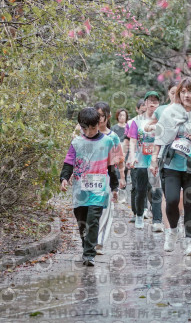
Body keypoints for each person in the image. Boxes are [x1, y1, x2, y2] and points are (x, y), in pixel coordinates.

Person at [150, 77, 191, 256]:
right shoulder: (170, 112)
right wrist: (154, 159)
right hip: (171, 163)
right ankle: (172, 231)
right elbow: (159, 137)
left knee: (189, 204)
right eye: (183, 92)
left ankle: (189, 242)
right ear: (179, 94)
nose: (187, 95)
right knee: (171, 200)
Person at [60, 108, 123, 266]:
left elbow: (112, 167)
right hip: (80, 190)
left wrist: (114, 187)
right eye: (85, 128)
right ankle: (86, 246)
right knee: (82, 220)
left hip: (99, 189)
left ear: (99, 123)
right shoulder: (76, 143)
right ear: (80, 126)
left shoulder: (107, 142)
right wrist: (64, 178)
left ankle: (89, 254)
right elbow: (69, 162)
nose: (89, 132)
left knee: (93, 220)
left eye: (93, 128)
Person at [145, 80, 184, 235]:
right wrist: (153, 127)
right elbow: (148, 126)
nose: (175, 96)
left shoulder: (187, 110)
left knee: (180, 195)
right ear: (168, 93)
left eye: (178, 92)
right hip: (164, 155)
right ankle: (168, 228)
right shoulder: (162, 110)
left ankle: (175, 221)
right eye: (173, 92)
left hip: (182, 155)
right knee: (166, 194)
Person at [127, 92, 164, 232]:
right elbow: (133, 140)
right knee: (141, 190)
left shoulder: (162, 120)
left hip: (156, 159)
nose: (153, 103)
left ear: (159, 104)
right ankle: (139, 215)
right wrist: (132, 157)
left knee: (156, 189)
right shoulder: (137, 121)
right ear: (146, 103)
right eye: (150, 101)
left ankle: (157, 221)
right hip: (140, 159)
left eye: (155, 101)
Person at [93, 102, 126, 255]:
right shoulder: (87, 134)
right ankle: (90, 239)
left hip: (106, 177)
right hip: (89, 177)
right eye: (97, 115)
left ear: (108, 116)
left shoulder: (113, 137)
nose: (99, 119)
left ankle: (99, 242)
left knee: (105, 210)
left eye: (102, 115)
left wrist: (121, 177)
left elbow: (119, 159)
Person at [125, 99, 146, 223]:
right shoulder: (131, 122)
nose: (144, 110)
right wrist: (128, 157)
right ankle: (135, 212)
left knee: (148, 186)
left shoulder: (153, 121)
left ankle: (144, 210)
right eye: (141, 108)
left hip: (148, 158)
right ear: (137, 109)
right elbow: (128, 142)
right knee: (135, 186)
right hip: (135, 158)